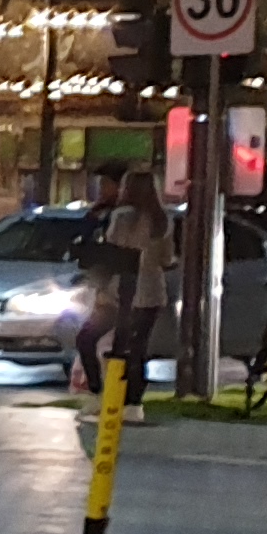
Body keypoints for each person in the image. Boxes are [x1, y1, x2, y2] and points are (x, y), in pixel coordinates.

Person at [77, 165, 166, 396]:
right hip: (151, 292)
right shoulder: (162, 220)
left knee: (88, 339)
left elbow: (112, 254)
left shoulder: (121, 216)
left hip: (119, 291)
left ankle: (101, 392)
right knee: (137, 348)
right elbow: (167, 258)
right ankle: (133, 400)